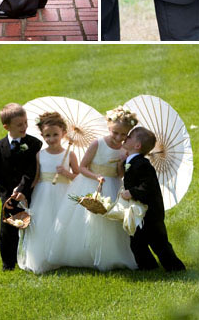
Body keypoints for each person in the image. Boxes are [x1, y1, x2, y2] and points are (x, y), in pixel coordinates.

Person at [49, 106, 139, 270]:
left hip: (112, 185)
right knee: (86, 220)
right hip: (91, 183)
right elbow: (83, 167)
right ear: (109, 128)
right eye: (115, 133)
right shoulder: (98, 144)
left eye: (123, 134)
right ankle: (84, 254)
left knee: (109, 221)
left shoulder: (124, 149)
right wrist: (96, 176)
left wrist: (120, 163)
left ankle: (110, 254)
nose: (119, 137)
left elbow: (119, 175)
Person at [17, 111, 78, 273]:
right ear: (42, 136)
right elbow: (36, 177)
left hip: (63, 192)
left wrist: (67, 174)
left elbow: (78, 176)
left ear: (64, 133)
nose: (51, 139)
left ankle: (63, 255)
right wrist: (24, 194)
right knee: (43, 222)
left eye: (55, 135)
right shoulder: (40, 155)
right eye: (47, 136)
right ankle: (43, 256)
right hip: (43, 194)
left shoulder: (69, 155)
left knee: (63, 222)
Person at [121, 126, 185, 271]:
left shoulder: (143, 164)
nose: (126, 137)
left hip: (151, 212)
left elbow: (148, 186)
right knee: (137, 241)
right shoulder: (130, 161)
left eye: (129, 136)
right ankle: (148, 266)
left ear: (137, 145)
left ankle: (175, 267)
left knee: (159, 242)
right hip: (138, 211)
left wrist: (131, 192)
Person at [0, 103, 42, 272]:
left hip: (29, 192)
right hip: (9, 198)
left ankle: (33, 258)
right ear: (6, 126)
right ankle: (8, 264)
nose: (24, 127)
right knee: (7, 230)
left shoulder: (34, 144)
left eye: (26, 122)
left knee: (33, 226)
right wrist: (6, 196)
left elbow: (32, 170)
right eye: (19, 124)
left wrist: (22, 189)